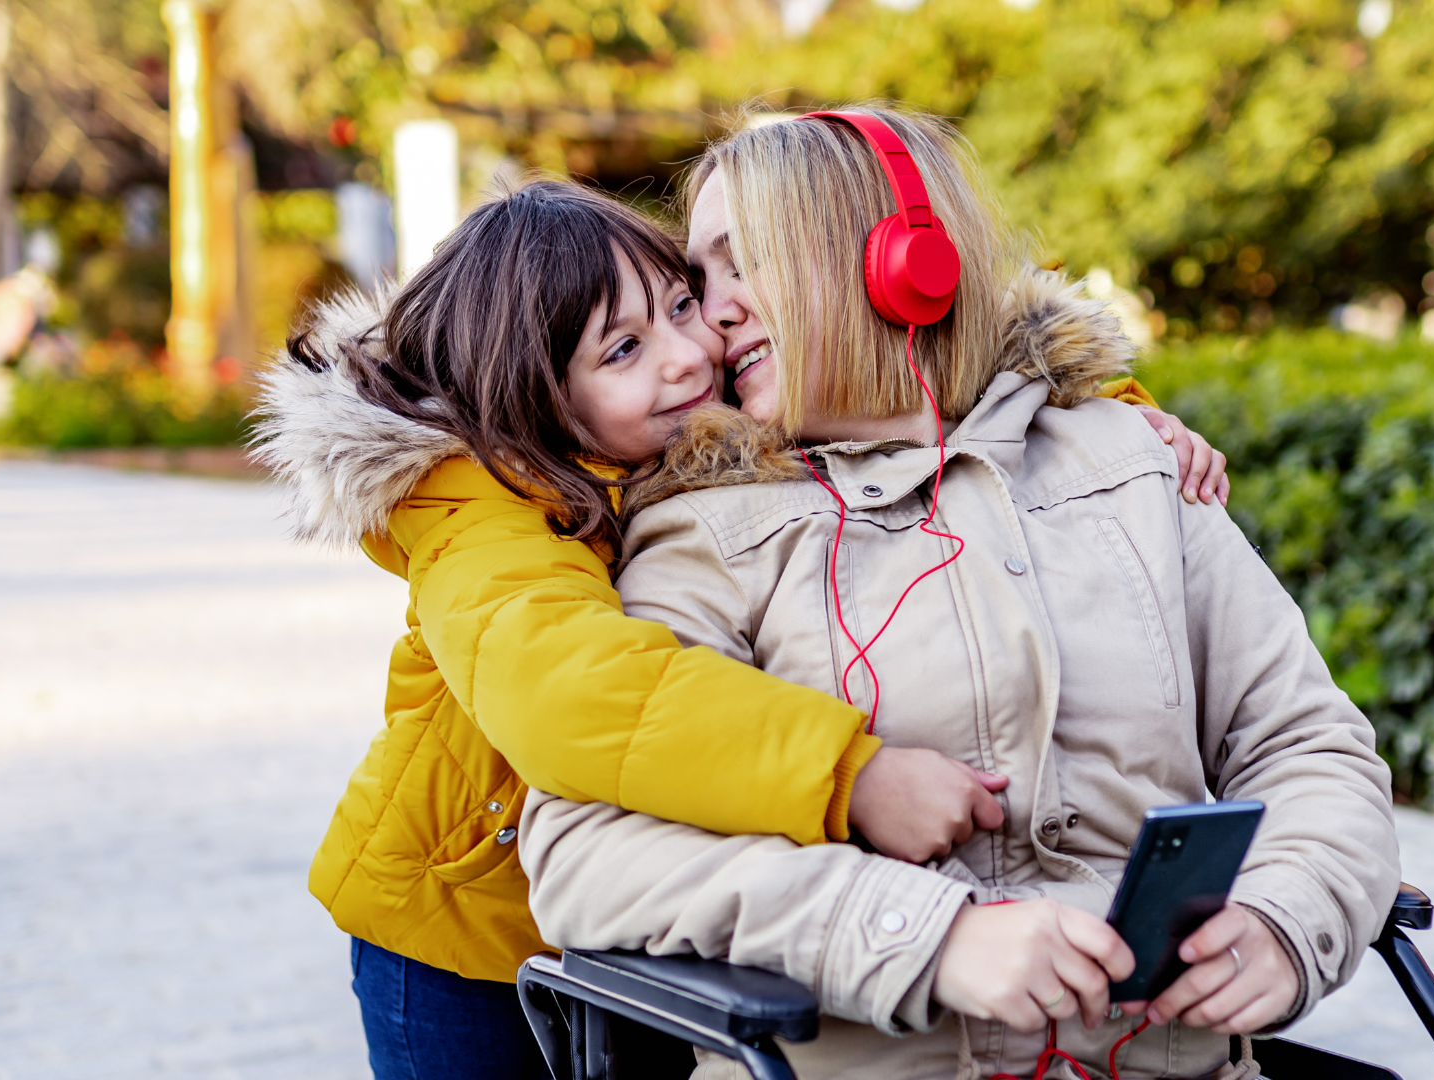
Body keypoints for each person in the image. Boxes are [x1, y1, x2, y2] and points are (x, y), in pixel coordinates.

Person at [253, 179, 1232, 1079]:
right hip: (467, 932)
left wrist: (1107, 409)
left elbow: (913, 366)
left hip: (667, 920)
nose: (688, 353)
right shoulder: (479, 510)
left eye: (679, 306)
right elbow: (575, 693)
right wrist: (853, 776)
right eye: (622, 350)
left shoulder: (696, 424)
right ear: (533, 395)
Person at [518, 108, 1399, 1080]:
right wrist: (927, 938)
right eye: (699, 278)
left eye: (742, 263)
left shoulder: (1133, 469)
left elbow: (1307, 744)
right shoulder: (705, 530)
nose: (711, 312)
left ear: (902, 261)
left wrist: (1289, 916)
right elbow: (586, 853)